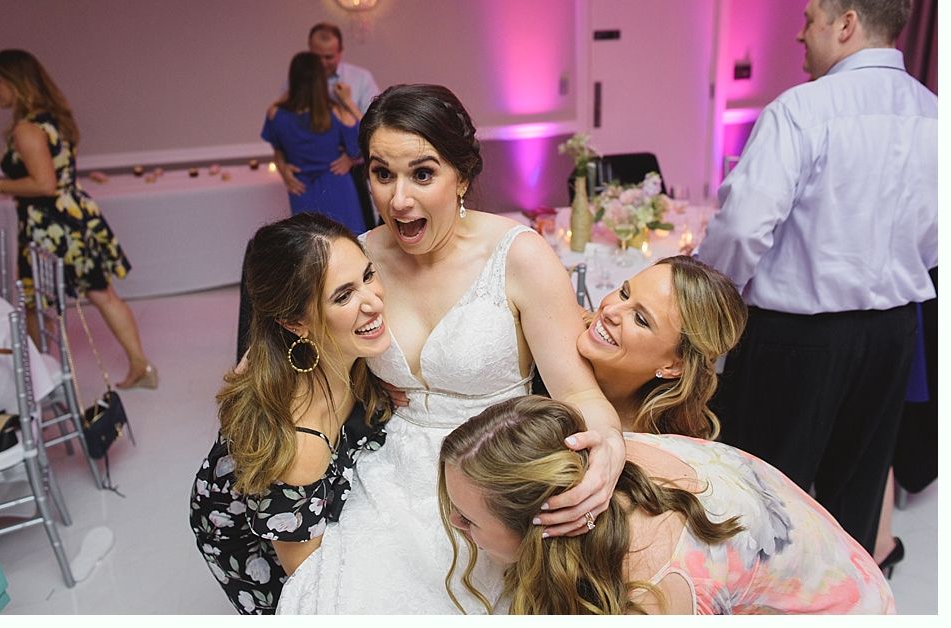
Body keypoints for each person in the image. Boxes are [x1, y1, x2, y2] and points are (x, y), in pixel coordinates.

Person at [275, 84, 626, 614]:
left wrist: (610, 447)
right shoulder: (359, 259)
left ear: (461, 176)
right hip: (388, 476)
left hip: (493, 479)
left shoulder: (519, 256)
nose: (399, 200)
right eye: (382, 173)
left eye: (422, 174)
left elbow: (577, 392)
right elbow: (315, 361)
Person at [695, 0, 937, 555]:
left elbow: (743, 227)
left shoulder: (802, 109)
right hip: (893, 335)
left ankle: (757, 599)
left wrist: (708, 303)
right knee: (854, 499)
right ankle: (846, 597)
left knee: (762, 497)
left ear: (846, 23)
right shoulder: (936, 114)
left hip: (794, 338)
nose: (800, 34)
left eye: (810, 20)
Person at [439, 396, 896, 614]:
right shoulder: (597, 457)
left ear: (544, 527)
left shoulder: (655, 593)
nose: (454, 522)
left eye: (469, 520)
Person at [189, 213, 392, 614]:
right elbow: (311, 582)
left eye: (368, 275)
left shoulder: (335, 346)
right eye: (343, 296)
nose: (374, 302)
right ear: (295, 323)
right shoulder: (301, 445)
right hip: (255, 540)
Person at [0, 49, 155, 389]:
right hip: (74, 217)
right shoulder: (51, 120)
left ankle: (37, 380)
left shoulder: (27, 128)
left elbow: (44, 184)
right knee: (102, 293)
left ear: (16, 82)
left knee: (35, 304)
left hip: (50, 227)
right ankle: (141, 366)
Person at [577, 255, 747, 439]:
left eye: (640, 319)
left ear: (675, 366)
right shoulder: (559, 325)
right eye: (624, 293)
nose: (610, 311)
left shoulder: (646, 445)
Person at [277, 22, 381, 227]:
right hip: (308, 175)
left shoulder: (360, 78)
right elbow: (279, 128)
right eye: (317, 57)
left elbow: (376, 126)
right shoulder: (295, 83)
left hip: (352, 172)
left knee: (358, 230)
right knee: (313, 233)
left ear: (340, 52)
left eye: (329, 57)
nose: (323, 63)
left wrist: (352, 158)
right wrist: (281, 165)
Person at [261, 51, 366, 234]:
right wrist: (347, 101)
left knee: (310, 244)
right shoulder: (334, 111)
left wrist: (284, 171)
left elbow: (278, 151)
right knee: (349, 240)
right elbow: (363, 141)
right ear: (321, 80)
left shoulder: (275, 113)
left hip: (301, 189)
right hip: (337, 186)